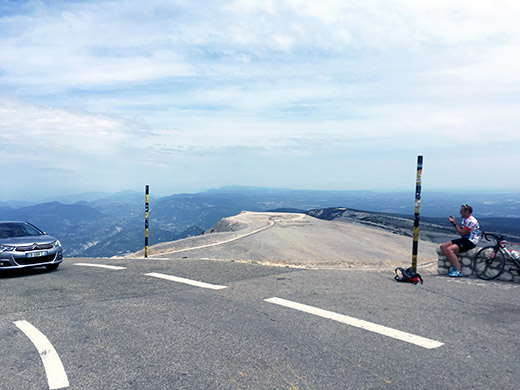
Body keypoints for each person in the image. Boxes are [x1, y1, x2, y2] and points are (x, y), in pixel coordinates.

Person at [439, 204, 481, 277]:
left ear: (467, 211)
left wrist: (454, 223)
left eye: (462, 211)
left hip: (470, 241)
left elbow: (462, 233)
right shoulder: (465, 219)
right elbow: (462, 230)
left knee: (449, 249)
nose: (460, 213)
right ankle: (456, 265)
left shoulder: (472, 221)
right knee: (443, 246)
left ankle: (458, 271)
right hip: (465, 239)